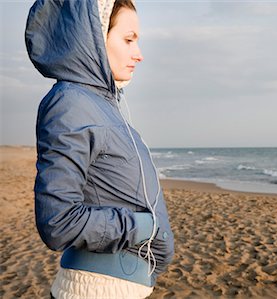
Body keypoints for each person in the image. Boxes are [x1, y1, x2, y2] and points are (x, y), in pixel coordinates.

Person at [25, 0, 174, 298]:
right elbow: (58, 221)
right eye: (128, 39)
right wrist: (145, 226)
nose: (139, 54)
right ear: (92, 36)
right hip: (97, 289)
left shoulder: (103, 106)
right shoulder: (70, 104)